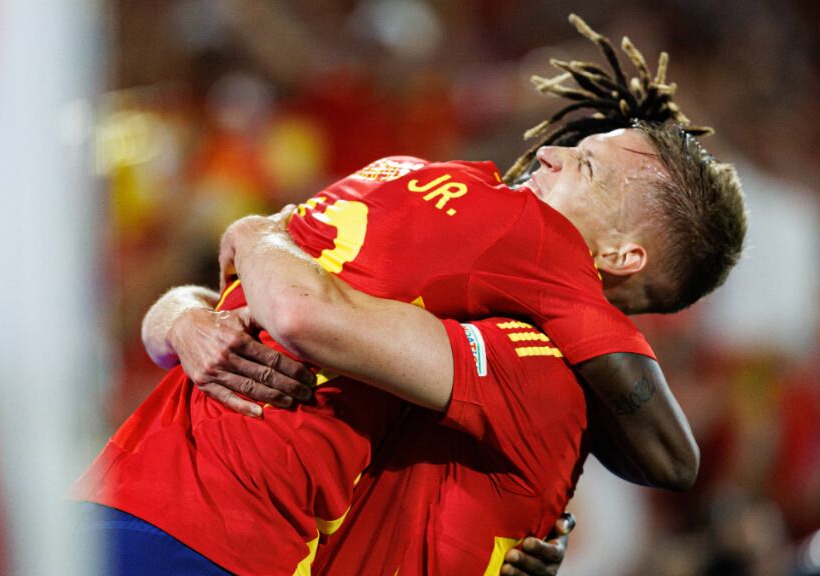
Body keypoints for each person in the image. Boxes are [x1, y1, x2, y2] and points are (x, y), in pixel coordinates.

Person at [73, 15, 746, 575]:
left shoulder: (531, 280)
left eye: (589, 166)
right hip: (131, 490)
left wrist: (255, 233)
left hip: (207, 537)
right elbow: (233, 307)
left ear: (620, 257)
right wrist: (186, 318)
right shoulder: (434, 188)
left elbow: (669, 455)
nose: (551, 153)